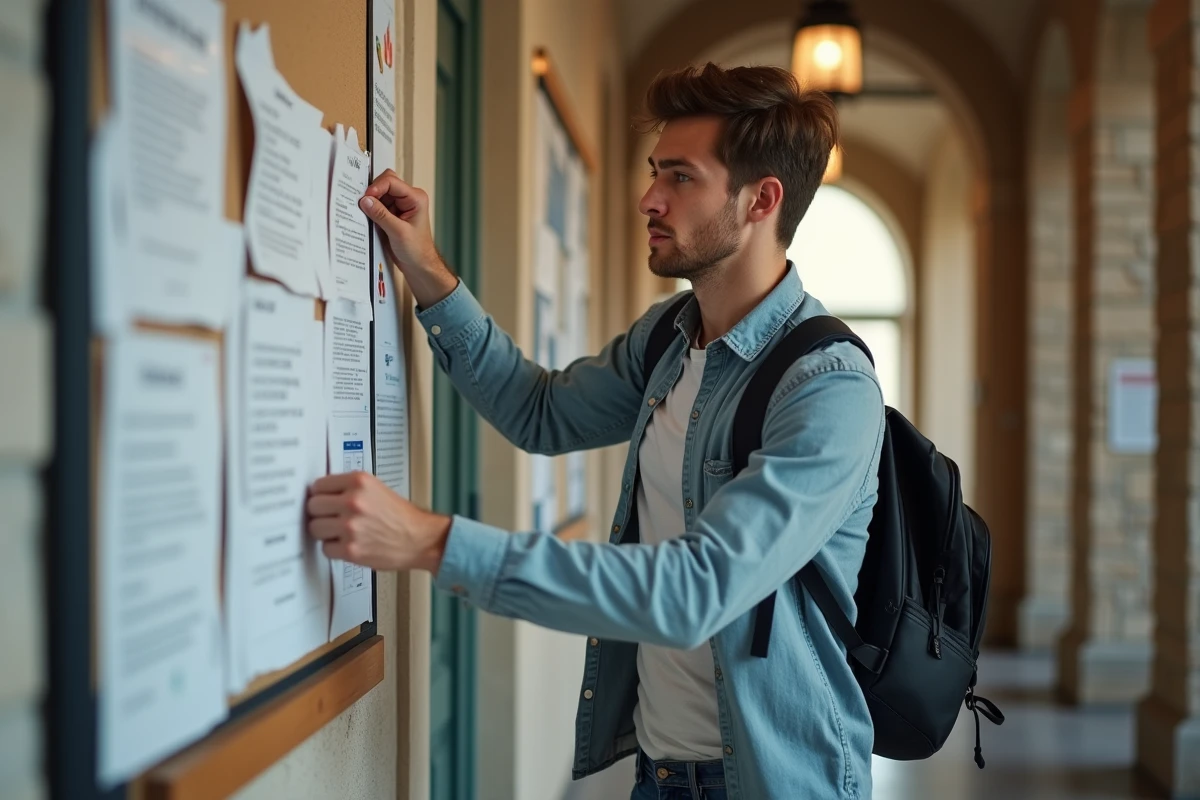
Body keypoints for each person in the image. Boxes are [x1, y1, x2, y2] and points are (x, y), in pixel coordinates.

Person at [307, 63, 885, 800]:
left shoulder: (829, 387)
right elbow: (541, 412)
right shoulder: (670, 338)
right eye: (654, 173)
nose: (649, 198)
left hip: (777, 784)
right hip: (661, 773)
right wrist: (426, 269)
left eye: (680, 177)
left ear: (760, 200)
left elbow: (694, 592)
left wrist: (430, 540)